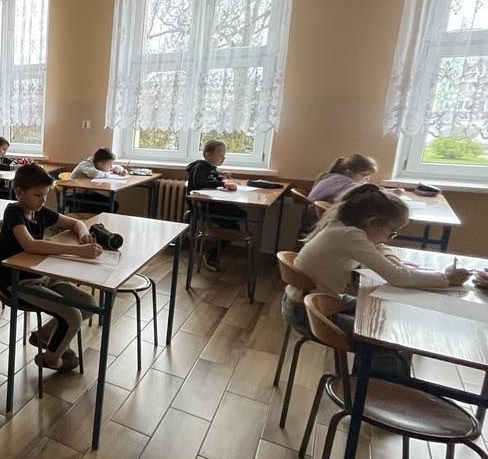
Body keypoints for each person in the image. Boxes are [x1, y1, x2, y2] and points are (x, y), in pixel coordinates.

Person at [285, 183, 468, 374]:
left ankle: (371, 379)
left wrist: (399, 265)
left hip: (315, 300)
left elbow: (380, 248)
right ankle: (374, 387)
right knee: (388, 338)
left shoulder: (344, 226)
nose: (390, 237)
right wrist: (446, 279)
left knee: (384, 313)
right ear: (373, 222)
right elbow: (397, 277)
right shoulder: (349, 236)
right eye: (392, 231)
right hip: (307, 312)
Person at [0, 164, 101, 372]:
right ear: (19, 193)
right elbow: (30, 245)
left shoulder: (39, 211)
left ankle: (44, 335)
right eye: (38, 195)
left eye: (45, 194)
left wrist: (83, 235)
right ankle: (51, 359)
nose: (43, 200)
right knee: (72, 316)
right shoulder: (14, 212)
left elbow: (76, 223)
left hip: (40, 275)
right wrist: (78, 251)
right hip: (16, 282)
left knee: (89, 304)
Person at [185, 139, 245, 271]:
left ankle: (212, 245)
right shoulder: (200, 167)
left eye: (224, 156)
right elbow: (200, 183)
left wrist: (222, 177)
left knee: (241, 215)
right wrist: (222, 183)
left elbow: (212, 179)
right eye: (221, 155)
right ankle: (210, 252)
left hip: (211, 204)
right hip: (203, 207)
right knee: (234, 225)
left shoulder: (211, 169)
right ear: (208, 155)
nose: (223, 158)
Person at [302, 154, 378, 233]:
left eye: (369, 175)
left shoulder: (329, 177)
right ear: (349, 172)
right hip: (318, 224)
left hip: (311, 221)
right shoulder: (345, 183)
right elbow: (362, 192)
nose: (367, 178)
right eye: (364, 174)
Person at [69, 147, 128, 213]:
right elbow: (94, 173)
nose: (111, 166)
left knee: (114, 204)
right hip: (74, 196)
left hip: (86, 194)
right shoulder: (86, 164)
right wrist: (108, 173)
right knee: (110, 206)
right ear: (100, 165)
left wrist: (120, 171)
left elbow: (115, 167)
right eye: (109, 164)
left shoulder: (99, 163)